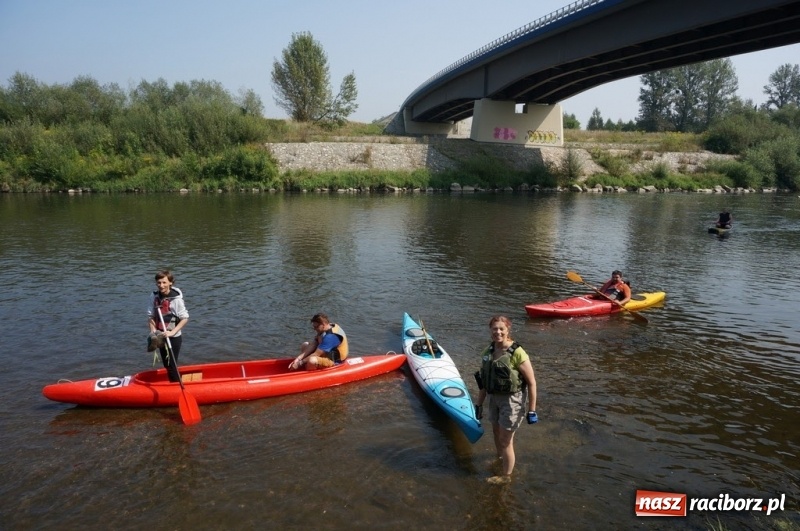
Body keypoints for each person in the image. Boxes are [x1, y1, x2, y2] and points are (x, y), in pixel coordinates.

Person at [473, 315, 537, 484]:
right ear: (490, 330)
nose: (498, 332)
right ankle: (500, 459)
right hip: (494, 399)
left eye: (502, 328)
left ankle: (506, 476)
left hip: (512, 400)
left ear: (508, 330)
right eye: (495, 329)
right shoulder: (488, 351)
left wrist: (532, 409)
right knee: (495, 432)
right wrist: (478, 404)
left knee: (505, 440)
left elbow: (531, 383)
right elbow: (484, 383)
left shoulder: (517, 352)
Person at [147, 270, 189, 383]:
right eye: (159, 283)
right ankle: (173, 383)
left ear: (171, 283)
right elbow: (150, 316)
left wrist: (172, 332)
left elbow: (185, 318)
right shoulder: (154, 296)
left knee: (172, 364)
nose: (161, 285)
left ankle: (177, 385)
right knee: (166, 364)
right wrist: (153, 332)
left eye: (164, 282)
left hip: (173, 336)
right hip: (160, 335)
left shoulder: (176, 300)